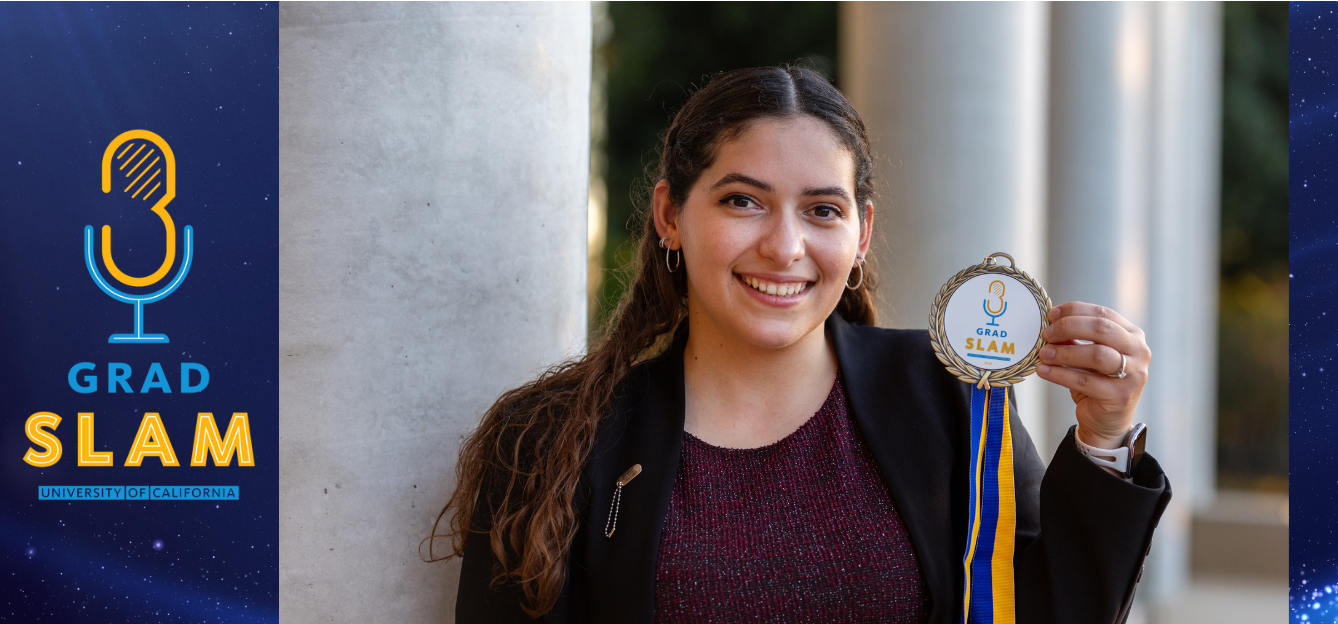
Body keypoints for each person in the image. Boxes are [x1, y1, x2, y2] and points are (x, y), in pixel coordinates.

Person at [430, 66, 1169, 624]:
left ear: (860, 236)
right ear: (668, 215)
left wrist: (1104, 439)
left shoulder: (949, 396)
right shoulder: (551, 439)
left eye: (821, 210)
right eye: (742, 201)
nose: (784, 247)